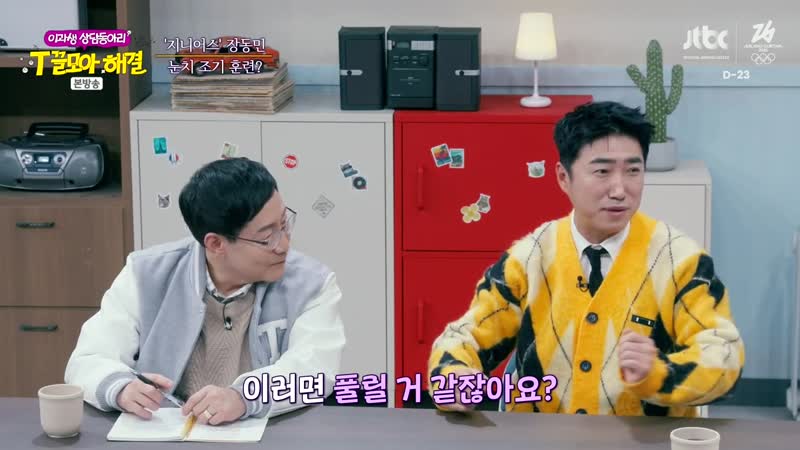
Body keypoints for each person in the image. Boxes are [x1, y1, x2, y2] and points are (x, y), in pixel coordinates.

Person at [427, 101, 745, 417]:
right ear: (563, 177)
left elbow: (724, 354)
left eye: (633, 171)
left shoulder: (683, 261)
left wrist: (660, 373)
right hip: (539, 437)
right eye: (602, 171)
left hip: (645, 438)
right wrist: (453, 378)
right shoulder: (527, 258)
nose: (619, 190)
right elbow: (465, 336)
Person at [65, 157, 345, 424]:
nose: (283, 245)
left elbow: (316, 373)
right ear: (215, 244)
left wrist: (243, 397)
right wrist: (122, 388)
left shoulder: (312, 283)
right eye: (267, 237)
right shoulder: (145, 274)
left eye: (284, 224)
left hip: (269, 434)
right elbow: (88, 360)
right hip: (167, 432)